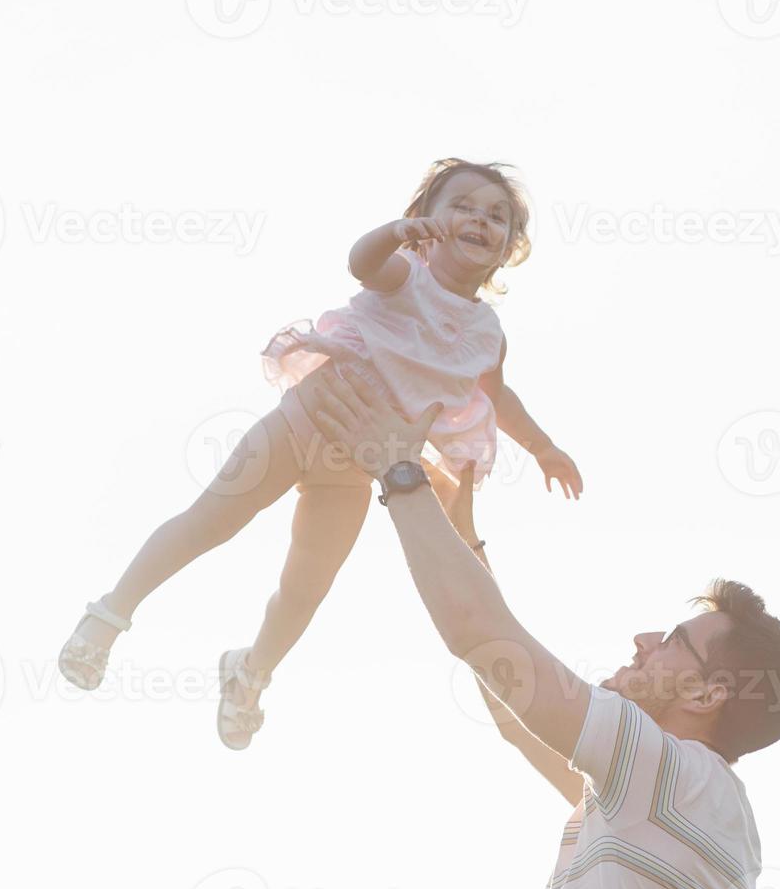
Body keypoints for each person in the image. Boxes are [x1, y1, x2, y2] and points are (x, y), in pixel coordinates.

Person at [299, 365, 780, 889]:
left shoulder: (681, 781)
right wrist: (464, 539)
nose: (644, 639)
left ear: (708, 695)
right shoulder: (654, 798)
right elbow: (516, 710)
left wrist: (399, 468)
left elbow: (483, 636)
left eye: (673, 641)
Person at [55, 158, 584, 749]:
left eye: (497, 217)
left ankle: (250, 671)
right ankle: (105, 617)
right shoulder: (404, 274)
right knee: (212, 521)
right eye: (461, 205)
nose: (479, 220)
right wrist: (392, 235)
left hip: (357, 468)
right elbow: (360, 263)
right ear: (425, 222)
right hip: (302, 425)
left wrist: (544, 448)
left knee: (308, 583)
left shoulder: (487, 332)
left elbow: (496, 392)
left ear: (510, 246)